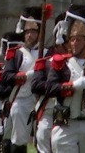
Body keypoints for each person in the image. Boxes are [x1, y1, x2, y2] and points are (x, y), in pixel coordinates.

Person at [47, 3, 85, 153]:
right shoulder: (61, 62)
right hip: (66, 124)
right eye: (72, 39)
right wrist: (73, 86)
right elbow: (50, 88)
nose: (73, 43)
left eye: (78, 39)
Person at [0, 5, 45, 153]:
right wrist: (26, 76)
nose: (30, 35)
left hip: (43, 100)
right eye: (27, 32)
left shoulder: (47, 52)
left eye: (33, 31)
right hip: (21, 99)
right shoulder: (16, 53)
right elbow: (6, 76)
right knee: (18, 142)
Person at [32, 10, 66, 153]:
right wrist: (60, 87)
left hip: (73, 115)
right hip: (48, 110)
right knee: (43, 136)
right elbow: (36, 85)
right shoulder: (46, 62)